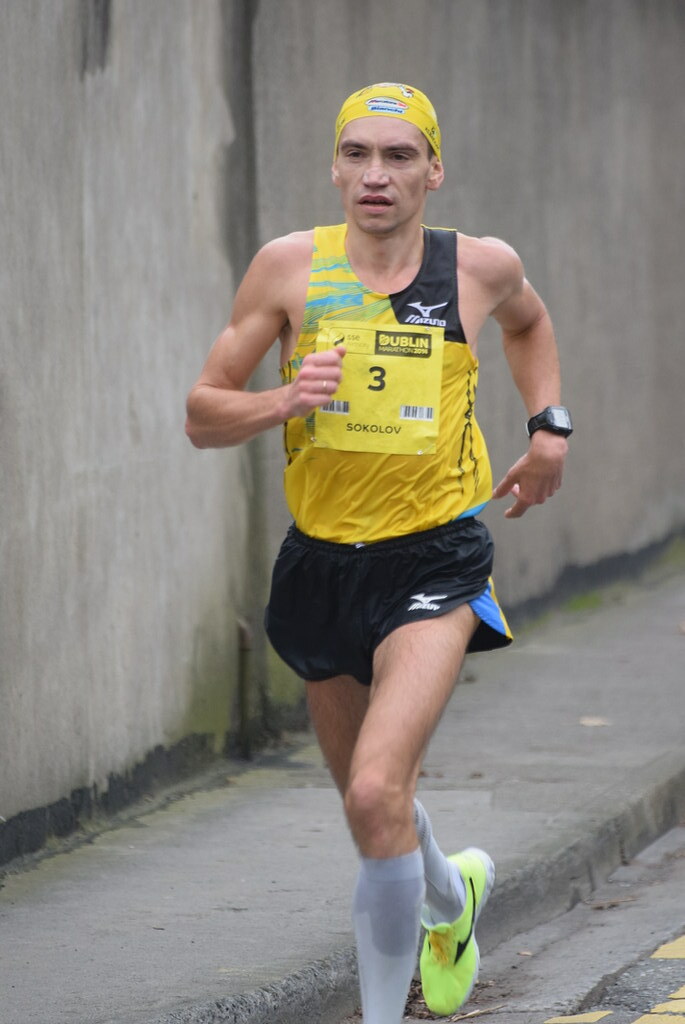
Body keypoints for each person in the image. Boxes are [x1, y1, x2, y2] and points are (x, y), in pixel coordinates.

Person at [186, 82, 571, 1024]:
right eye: (357, 153)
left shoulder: (478, 267)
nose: (375, 174)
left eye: (399, 156)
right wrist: (282, 401)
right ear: (333, 166)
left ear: (433, 171)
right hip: (321, 564)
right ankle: (455, 899)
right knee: (374, 813)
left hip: (433, 558)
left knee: (372, 788)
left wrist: (549, 429)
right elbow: (202, 414)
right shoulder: (286, 269)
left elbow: (528, 323)